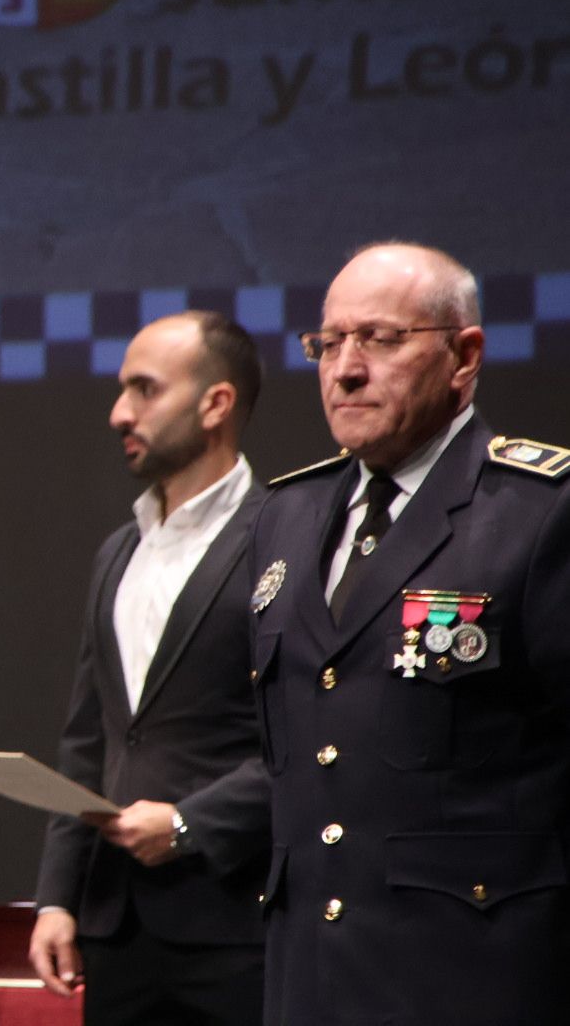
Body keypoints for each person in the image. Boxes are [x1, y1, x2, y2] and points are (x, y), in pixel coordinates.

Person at [251, 242, 570, 1024]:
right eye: (328, 343)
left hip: (472, 979)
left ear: (465, 356)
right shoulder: (285, 518)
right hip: (309, 981)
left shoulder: (538, 513)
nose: (345, 369)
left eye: (381, 340)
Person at [29, 312, 271, 1024]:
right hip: (116, 929)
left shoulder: (286, 538)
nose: (118, 413)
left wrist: (194, 823)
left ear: (216, 404)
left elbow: (309, 741)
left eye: (144, 390)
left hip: (235, 923)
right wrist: (56, 897)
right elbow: (90, 741)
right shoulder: (117, 552)